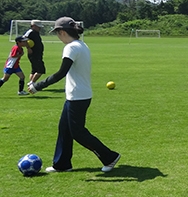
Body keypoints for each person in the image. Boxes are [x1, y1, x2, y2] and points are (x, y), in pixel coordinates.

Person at [28, 17, 120, 173]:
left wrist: (38, 86)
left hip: (78, 96)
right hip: (77, 95)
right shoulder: (82, 45)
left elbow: (61, 73)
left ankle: (109, 157)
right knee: (64, 129)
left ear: (62, 32)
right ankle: (62, 164)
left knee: (78, 133)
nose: (58, 37)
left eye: (57, 33)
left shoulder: (71, 47)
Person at [23, 19, 46, 84]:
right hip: (34, 54)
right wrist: (28, 48)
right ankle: (32, 83)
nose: (40, 28)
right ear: (33, 26)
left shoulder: (36, 32)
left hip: (38, 53)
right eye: (38, 27)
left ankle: (31, 83)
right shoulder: (30, 32)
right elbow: (23, 39)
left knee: (34, 70)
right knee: (41, 70)